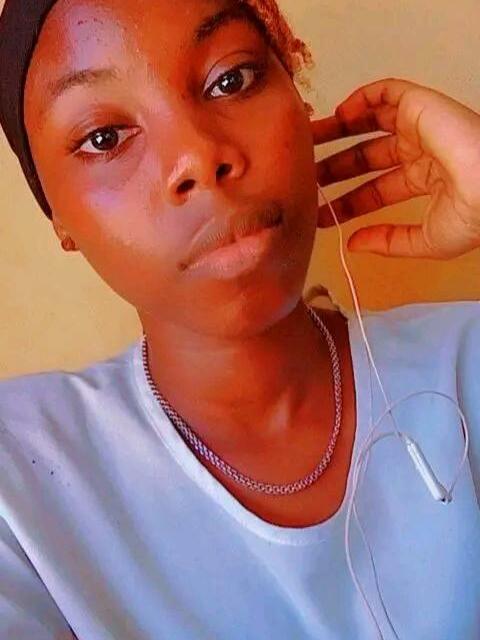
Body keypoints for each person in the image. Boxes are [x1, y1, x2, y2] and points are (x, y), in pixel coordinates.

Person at [0, 0, 479, 638]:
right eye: (104, 137)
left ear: (298, 100)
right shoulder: (19, 479)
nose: (199, 155)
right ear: (57, 216)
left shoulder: (467, 362)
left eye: (231, 79)